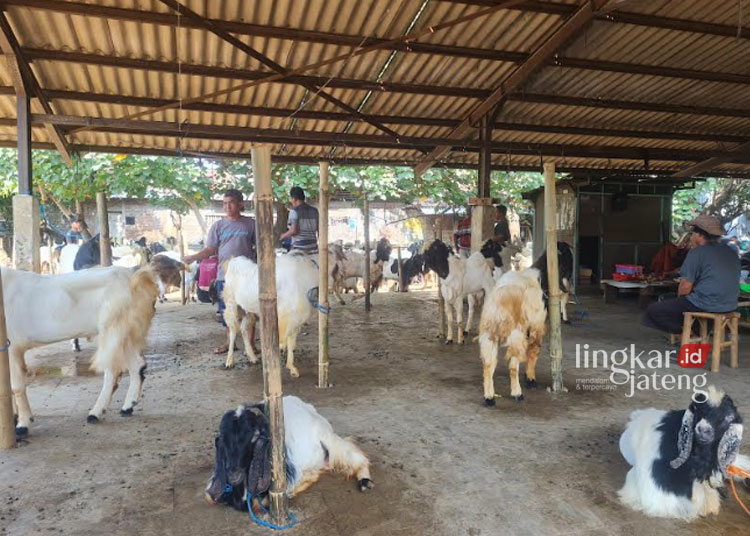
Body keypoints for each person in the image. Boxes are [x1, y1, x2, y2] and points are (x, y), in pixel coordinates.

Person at [184, 189, 258, 355]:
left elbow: (259, 247)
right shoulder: (218, 226)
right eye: (224, 203)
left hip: (246, 276)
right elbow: (210, 249)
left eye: (231, 202)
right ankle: (229, 343)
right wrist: (193, 257)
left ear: (241, 204)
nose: (227, 206)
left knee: (249, 311)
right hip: (224, 276)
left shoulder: (250, 224)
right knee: (228, 312)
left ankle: (251, 345)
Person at [643, 215, 739, 335]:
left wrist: (679, 301)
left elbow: (685, 287)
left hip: (706, 305)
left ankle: (687, 333)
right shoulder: (730, 251)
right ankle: (697, 337)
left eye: (692, 234)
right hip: (730, 304)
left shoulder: (697, 252)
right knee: (687, 305)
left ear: (699, 235)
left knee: (654, 309)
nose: (691, 237)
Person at [279, 186, 319, 253]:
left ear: (294, 199)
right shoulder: (315, 211)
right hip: (313, 247)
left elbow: (293, 231)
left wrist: (282, 236)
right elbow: (319, 230)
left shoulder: (294, 212)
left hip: (299, 248)